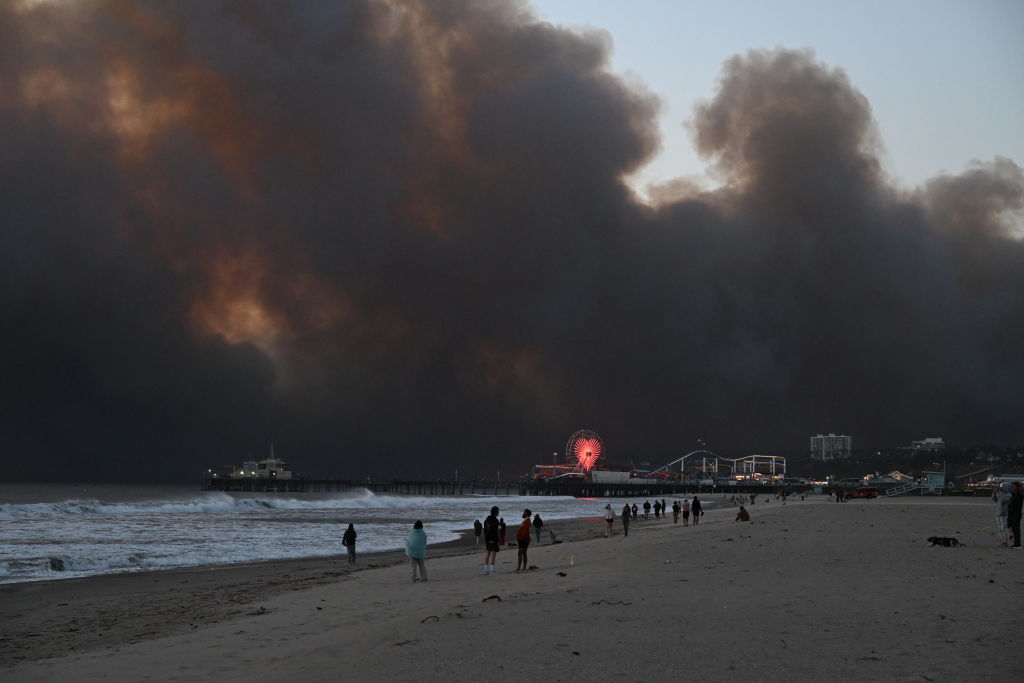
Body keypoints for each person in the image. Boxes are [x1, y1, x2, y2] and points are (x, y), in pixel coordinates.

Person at [994, 482, 1012, 547]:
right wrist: (994, 493)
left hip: (1004, 513)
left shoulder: (1009, 495)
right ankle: (1002, 541)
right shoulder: (1000, 493)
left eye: (1003, 487)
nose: (1001, 488)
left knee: (1003, 528)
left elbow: (1002, 500)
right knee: (999, 528)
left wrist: (999, 493)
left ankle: (1005, 542)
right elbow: (995, 499)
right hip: (998, 512)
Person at [483, 506, 500, 574]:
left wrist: (488, 539)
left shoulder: (486, 520)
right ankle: (492, 570)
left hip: (487, 538)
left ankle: (486, 570)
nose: (499, 513)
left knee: (487, 553)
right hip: (493, 539)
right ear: (495, 512)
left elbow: (486, 530)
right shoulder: (495, 520)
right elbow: (497, 529)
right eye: (498, 511)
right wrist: (492, 539)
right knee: (493, 554)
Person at [1008, 482, 1023, 549]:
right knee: (1014, 529)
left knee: (1016, 529)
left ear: (1017, 487)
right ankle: (1016, 543)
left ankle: (1017, 544)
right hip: (1012, 514)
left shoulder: (1019, 495)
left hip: (1016, 514)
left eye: (1013, 486)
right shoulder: (1013, 494)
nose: (1012, 488)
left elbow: (1017, 506)